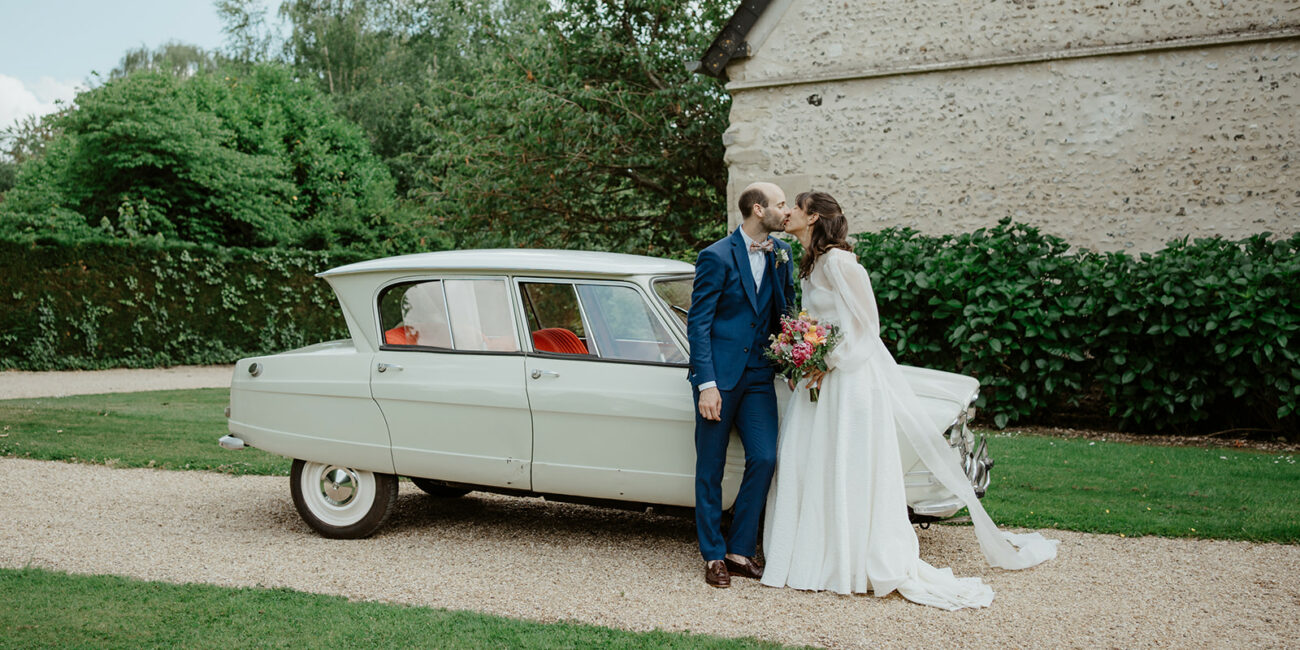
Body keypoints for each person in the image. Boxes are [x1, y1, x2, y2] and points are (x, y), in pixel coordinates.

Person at [760, 191, 1057, 609]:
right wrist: (801, 355)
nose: (786, 212)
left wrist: (826, 363)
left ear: (812, 218)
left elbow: (867, 327)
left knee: (845, 460)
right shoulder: (811, 263)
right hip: (820, 379)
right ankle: (815, 554)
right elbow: (815, 323)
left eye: (794, 206)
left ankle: (849, 558)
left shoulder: (843, 263)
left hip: (849, 381)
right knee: (812, 459)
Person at [688, 181, 797, 588]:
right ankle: (713, 554)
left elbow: (785, 313)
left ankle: (739, 549)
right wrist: (707, 384)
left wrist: (797, 359)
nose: (786, 211)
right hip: (720, 378)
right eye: (780, 204)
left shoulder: (781, 254)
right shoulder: (715, 256)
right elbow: (698, 325)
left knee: (766, 458)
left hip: (757, 376)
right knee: (710, 467)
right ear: (757, 209)